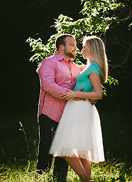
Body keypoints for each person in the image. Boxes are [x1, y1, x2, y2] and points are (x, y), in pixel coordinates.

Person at [49, 36, 107, 182]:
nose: (81, 50)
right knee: (81, 151)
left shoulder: (93, 68)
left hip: (80, 108)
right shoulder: (88, 67)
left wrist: (76, 94)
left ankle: (86, 180)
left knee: (66, 148)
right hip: (77, 107)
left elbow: (98, 93)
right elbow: (71, 69)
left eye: (84, 47)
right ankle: (86, 180)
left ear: (92, 49)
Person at [36, 34, 81, 181]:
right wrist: (72, 94)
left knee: (64, 149)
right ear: (61, 47)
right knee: (46, 148)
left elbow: (81, 88)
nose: (76, 47)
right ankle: (41, 177)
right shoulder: (48, 63)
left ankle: (60, 178)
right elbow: (48, 85)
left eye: (75, 44)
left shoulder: (75, 67)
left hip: (68, 114)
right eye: (72, 44)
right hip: (49, 113)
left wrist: (88, 97)